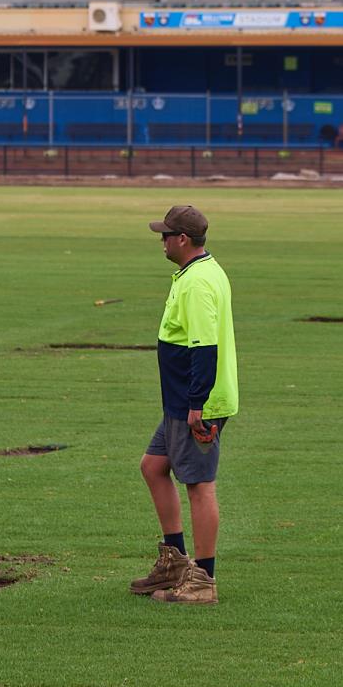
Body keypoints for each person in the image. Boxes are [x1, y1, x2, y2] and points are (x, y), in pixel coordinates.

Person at [131, 203, 239, 607]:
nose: (161, 240)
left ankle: (204, 579)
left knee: (198, 485)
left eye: (165, 235)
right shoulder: (201, 271)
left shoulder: (196, 283)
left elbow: (204, 348)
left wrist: (197, 405)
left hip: (196, 403)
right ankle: (175, 562)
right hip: (182, 401)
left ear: (182, 239)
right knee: (153, 466)